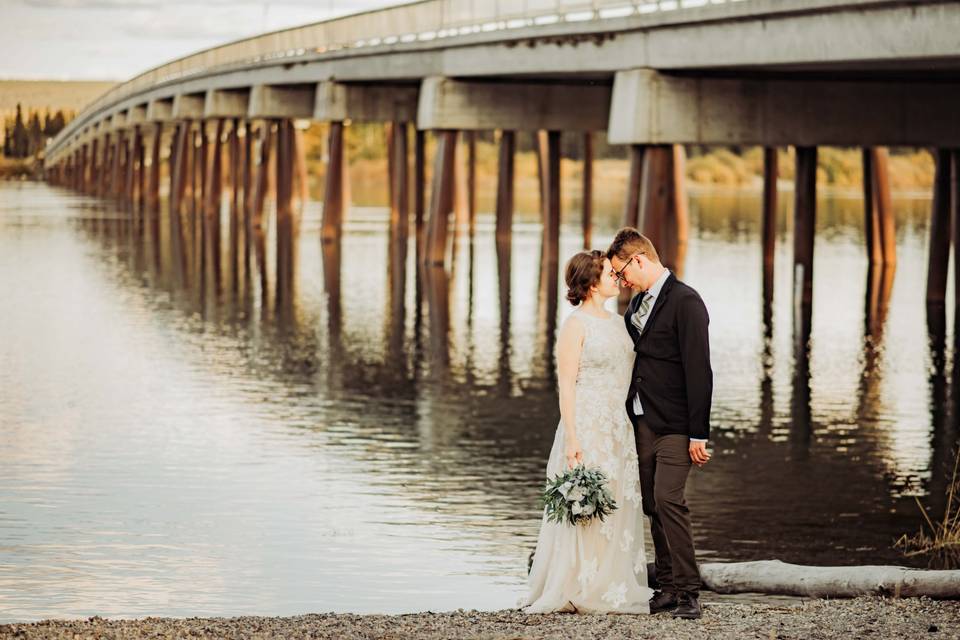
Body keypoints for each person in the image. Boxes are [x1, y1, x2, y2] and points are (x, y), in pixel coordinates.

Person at [521, 250, 653, 614]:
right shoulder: (575, 325)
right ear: (592, 283)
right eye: (610, 272)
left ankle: (610, 583)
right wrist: (574, 439)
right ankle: (577, 585)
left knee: (616, 501)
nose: (617, 277)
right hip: (587, 423)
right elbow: (566, 385)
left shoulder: (619, 322)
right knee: (587, 503)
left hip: (617, 425)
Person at [607, 228, 712, 620]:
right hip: (642, 418)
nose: (620, 281)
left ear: (639, 260)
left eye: (621, 272)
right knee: (652, 503)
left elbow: (700, 372)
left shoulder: (687, 302)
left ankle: (689, 592)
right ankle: (666, 587)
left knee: (669, 499)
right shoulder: (636, 306)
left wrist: (699, 433)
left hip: (677, 423)